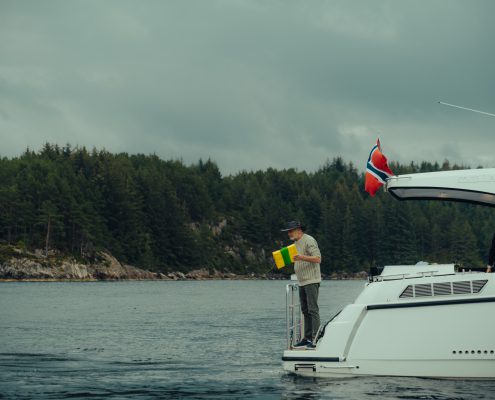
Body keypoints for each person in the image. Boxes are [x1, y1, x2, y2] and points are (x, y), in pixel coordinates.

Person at [281, 220, 322, 349]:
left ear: (299, 230)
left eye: (290, 231)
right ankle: (307, 338)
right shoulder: (295, 243)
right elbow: (298, 258)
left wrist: (301, 257)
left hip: (311, 280)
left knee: (313, 309)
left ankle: (315, 339)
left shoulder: (309, 240)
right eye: (288, 232)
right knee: (305, 310)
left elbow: (318, 259)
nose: (289, 234)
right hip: (302, 281)